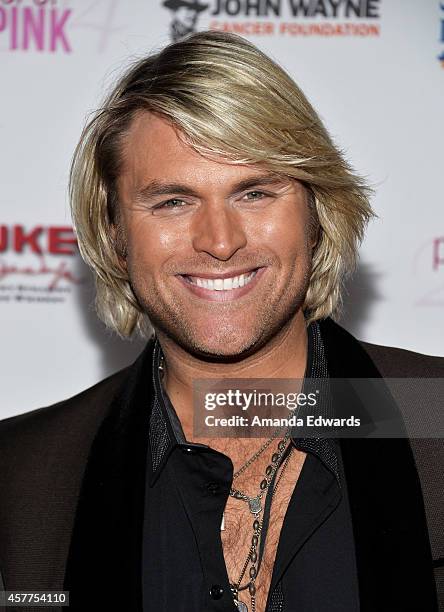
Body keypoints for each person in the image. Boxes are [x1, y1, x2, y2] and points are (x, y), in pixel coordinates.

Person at [0, 31, 442, 612]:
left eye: (255, 192)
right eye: (172, 202)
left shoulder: (432, 417)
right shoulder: (23, 476)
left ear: (317, 215)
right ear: (114, 237)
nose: (219, 242)